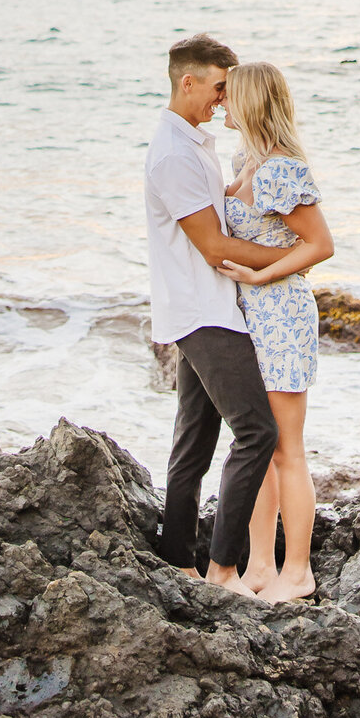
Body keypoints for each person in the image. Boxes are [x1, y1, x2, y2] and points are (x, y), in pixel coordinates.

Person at [144, 33, 293, 597]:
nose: (224, 100)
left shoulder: (193, 143)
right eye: (219, 87)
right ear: (189, 81)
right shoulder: (176, 154)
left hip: (207, 305)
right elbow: (214, 247)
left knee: (195, 441)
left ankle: (177, 560)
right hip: (203, 311)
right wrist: (293, 259)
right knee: (257, 431)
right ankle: (224, 570)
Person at [218, 61, 333, 603]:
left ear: (252, 103)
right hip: (249, 319)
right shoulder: (245, 160)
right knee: (256, 445)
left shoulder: (281, 170)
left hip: (282, 316)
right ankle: (259, 568)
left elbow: (319, 245)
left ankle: (299, 572)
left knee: (287, 449)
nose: (220, 104)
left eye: (229, 96)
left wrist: (258, 274)